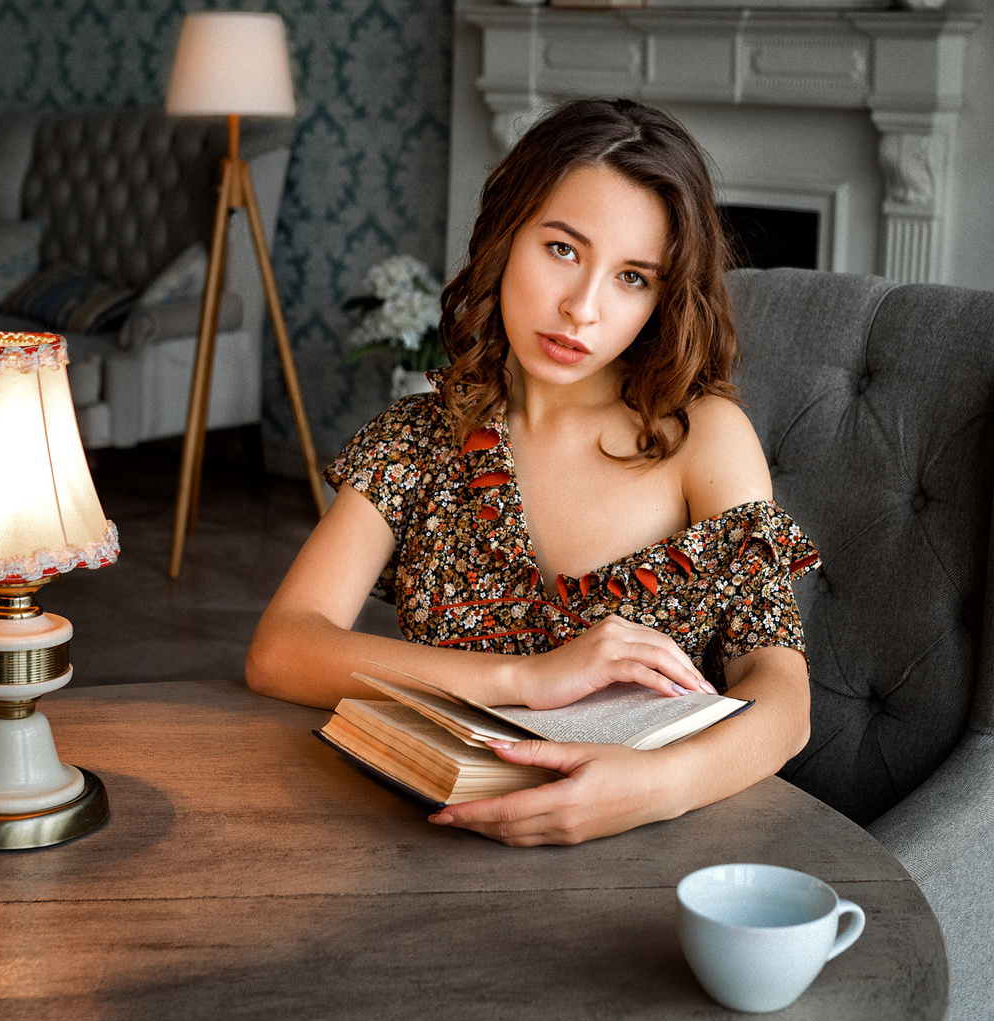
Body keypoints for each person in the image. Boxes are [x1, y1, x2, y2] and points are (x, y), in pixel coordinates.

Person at [247, 98, 819, 847]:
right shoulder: (418, 439)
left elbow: (784, 701)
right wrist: (527, 678)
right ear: (506, 235)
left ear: (664, 297)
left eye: (633, 278)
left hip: (653, 842)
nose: (583, 308)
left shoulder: (702, 440)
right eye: (563, 250)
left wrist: (654, 788)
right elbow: (281, 649)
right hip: (438, 835)